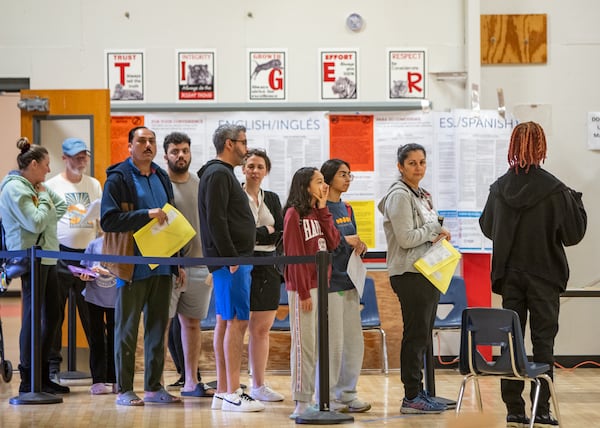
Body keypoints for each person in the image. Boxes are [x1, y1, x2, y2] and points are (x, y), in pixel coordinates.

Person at [479, 122, 587, 428]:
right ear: (541, 146)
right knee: (543, 345)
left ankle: (513, 409)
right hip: (544, 277)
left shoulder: (499, 188)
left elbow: (487, 227)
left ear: (513, 146)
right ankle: (541, 410)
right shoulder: (555, 189)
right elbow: (572, 234)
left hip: (509, 276)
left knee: (509, 342)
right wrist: (577, 203)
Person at [100, 126, 183, 406]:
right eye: (141, 140)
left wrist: (177, 261)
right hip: (132, 266)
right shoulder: (118, 178)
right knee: (126, 330)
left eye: (151, 141)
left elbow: (170, 220)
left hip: (162, 266)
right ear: (129, 146)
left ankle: (153, 387)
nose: (148, 145)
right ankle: (124, 390)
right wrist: (144, 215)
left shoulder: (161, 175)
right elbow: (108, 220)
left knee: (158, 329)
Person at [377, 143, 450, 414]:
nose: (418, 167)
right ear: (400, 166)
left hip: (426, 271)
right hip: (409, 274)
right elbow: (407, 238)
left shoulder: (420, 194)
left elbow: (426, 229)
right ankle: (410, 397)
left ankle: (421, 393)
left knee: (423, 335)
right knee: (415, 335)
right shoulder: (399, 196)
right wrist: (434, 228)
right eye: (412, 163)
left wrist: (436, 231)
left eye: (422, 162)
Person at [197, 124, 264, 412]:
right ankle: (232, 391)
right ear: (229, 144)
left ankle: (224, 391)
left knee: (227, 321)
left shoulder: (219, 174)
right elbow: (216, 220)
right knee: (237, 322)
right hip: (232, 262)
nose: (246, 148)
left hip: (231, 261)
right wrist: (230, 257)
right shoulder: (218, 174)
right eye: (243, 142)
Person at [0, 137, 69, 395]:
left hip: (48, 256)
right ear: (32, 164)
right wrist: (44, 206)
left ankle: (43, 375)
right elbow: (36, 223)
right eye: (45, 165)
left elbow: (57, 206)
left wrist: (44, 205)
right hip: (31, 259)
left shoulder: (36, 186)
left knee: (52, 318)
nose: (49, 171)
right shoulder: (16, 189)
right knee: (33, 319)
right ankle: (28, 378)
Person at [283, 167, 340, 418]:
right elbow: (294, 256)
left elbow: (334, 242)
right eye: (319, 182)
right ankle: (301, 401)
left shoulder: (318, 213)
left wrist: (324, 207)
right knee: (303, 346)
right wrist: (304, 292)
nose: (324, 186)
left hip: (321, 286)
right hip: (303, 290)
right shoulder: (293, 214)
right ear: (306, 186)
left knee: (318, 346)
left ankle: (319, 397)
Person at [162, 131, 214, 398]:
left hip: (199, 266)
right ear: (166, 155)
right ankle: (155, 384)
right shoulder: (160, 185)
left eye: (184, 150)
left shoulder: (201, 183)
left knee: (192, 325)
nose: (180, 155)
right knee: (162, 326)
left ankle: (191, 381)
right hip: (169, 268)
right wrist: (173, 261)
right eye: (175, 151)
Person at [46, 137, 102, 380]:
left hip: (88, 256)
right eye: (76, 156)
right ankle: (51, 368)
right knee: (54, 314)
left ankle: (101, 371)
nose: (81, 159)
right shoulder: (51, 185)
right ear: (64, 158)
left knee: (92, 313)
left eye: (84, 155)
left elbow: (100, 219)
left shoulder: (94, 184)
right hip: (60, 253)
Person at [319, 158, 370, 413]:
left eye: (350, 174)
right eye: (342, 174)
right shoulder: (320, 208)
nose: (347, 178)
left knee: (353, 343)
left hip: (350, 282)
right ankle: (326, 396)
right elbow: (323, 242)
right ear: (328, 178)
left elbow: (353, 240)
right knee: (333, 345)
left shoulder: (347, 208)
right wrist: (344, 240)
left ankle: (348, 393)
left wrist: (360, 245)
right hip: (330, 284)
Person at [242, 149, 285, 402]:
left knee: (262, 328)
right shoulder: (236, 194)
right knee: (236, 326)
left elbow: (278, 230)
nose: (255, 170)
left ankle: (259, 385)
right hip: (242, 262)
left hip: (268, 264)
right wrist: (260, 232)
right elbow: (239, 231)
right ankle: (234, 385)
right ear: (243, 168)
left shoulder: (272, 197)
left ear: (266, 171)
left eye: (260, 166)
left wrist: (255, 233)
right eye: (250, 165)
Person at [79, 232, 118, 395]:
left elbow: (128, 271)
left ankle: (115, 379)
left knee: (115, 338)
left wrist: (108, 273)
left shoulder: (124, 244)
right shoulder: (94, 244)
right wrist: (85, 275)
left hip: (116, 297)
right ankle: (98, 379)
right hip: (94, 297)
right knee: (96, 338)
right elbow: (84, 269)